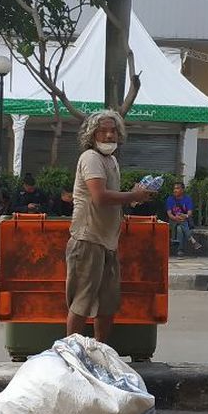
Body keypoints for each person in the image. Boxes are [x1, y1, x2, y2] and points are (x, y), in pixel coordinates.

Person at [66, 110, 153, 344]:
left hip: (108, 242)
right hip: (88, 240)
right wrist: (131, 195)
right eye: (102, 130)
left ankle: (101, 351)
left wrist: (135, 196)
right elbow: (100, 197)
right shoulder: (90, 158)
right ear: (92, 134)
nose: (108, 135)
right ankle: (72, 355)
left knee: (107, 303)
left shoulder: (111, 160)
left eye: (112, 130)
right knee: (82, 302)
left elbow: (114, 198)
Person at [165, 181, 201, 256]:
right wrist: (175, 218)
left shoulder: (187, 199)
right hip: (173, 221)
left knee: (179, 229)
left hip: (185, 220)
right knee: (181, 223)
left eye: (177, 188)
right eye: (174, 188)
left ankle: (180, 251)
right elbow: (169, 214)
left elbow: (189, 213)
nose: (175, 190)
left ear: (182, 190)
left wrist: (185, 216)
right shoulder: (170, 199)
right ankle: (192, 240)